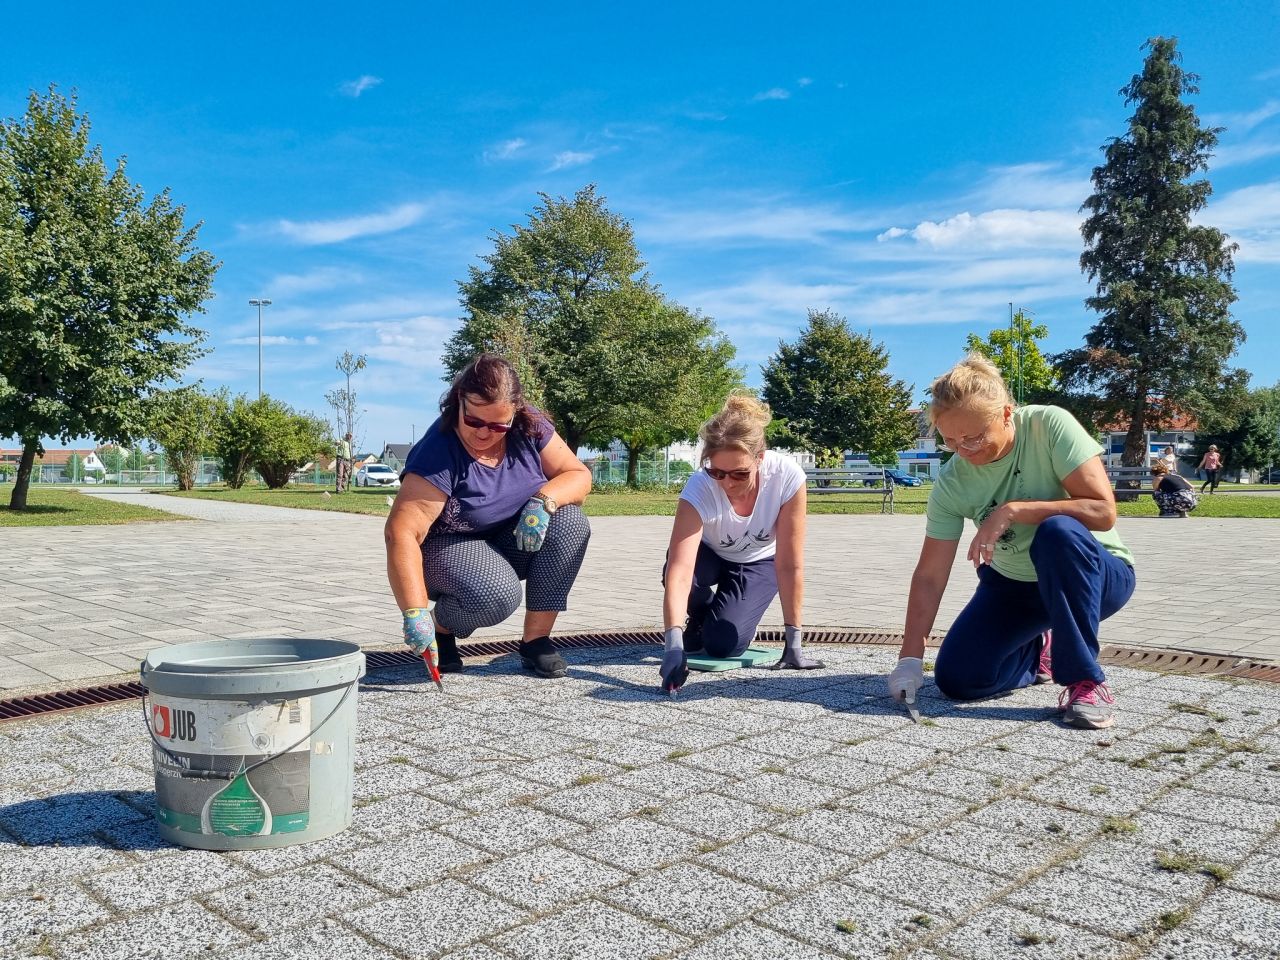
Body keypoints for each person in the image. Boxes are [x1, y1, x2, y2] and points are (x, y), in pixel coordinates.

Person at [888, 354, 1136, 730]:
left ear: (1006, 414)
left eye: (973, 437)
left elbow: (1103, 511)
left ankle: (1084, 681)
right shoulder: (953, 482)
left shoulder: (1048, 425)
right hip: (1017, 587)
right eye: (950, 441)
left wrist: (1016, 510)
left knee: (1058, 531)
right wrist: (909, 658)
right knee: (959, 680)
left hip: (1095, 577)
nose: (964, 451)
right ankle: (1037, 650)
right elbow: (930, 576)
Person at [384, 354, 592, 679]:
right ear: (459, 403)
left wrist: (544, 500)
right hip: (446, 547)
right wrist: (414, 612)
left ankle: (535, 642)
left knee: (570, 523)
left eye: (498, 425)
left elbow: (577, 475)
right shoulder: (438, 449)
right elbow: (401, 533)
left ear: (515, 412)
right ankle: (442, 627)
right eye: (475, 421)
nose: (485, 433)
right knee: (496, 594)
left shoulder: (530, 426)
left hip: (506, 538)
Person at [658, 393, 824, 694]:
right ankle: (696, 618)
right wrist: (672, 645)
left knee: (723, 645)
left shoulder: (787, 478)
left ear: (760, 458)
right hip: (709, 556)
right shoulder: (699, 486)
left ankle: (712, 624)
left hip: (758, 561)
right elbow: (680, 571)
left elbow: (789, 563)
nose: (728, 483)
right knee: (680, 577)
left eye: (739, 473)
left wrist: (794, 642)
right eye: (717, 472)